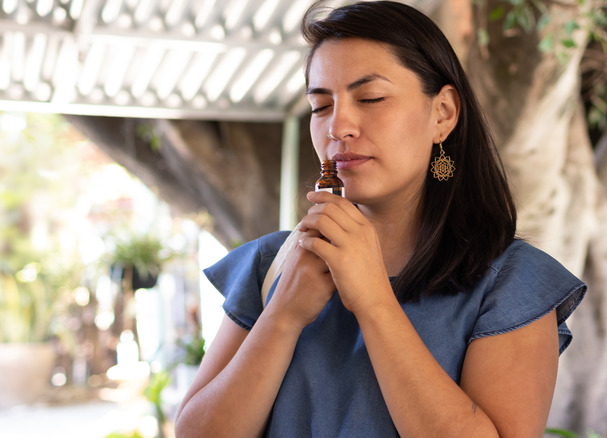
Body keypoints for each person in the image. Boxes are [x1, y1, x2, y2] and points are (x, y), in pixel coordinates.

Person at [174, 1, 586, 437]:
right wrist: (282, 315)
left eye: (370, 98)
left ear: (443, 113)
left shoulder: (512, 284)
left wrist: (374, 302)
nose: (338, 126)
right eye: (320, 106)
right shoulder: (272, 264)